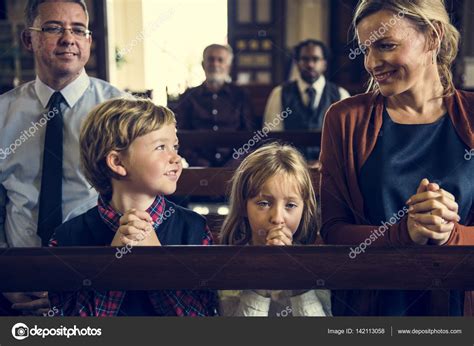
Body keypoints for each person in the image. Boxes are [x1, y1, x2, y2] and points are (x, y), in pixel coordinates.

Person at [320, 0, 474, 316]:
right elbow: (333, 231)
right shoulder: (345, 118)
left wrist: (449, 233)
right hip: (373, 307)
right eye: (366, 50)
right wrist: (403, 233)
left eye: (386, 46)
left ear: (433, 36)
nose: (372, 63)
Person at [0, 0, 124, 315]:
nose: (68, 38)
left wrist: (104, 276)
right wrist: (6, 276)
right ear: (29, 39)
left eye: (78, 30)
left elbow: (148, 195)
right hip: (16, 274)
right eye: (54, 28)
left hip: (99, 277)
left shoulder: (120, 109)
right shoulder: (3, 113)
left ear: (88, 42)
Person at [48, 98, 217, 316]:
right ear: (117, 162)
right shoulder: (66, 238)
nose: (176, 158)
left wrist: (157, 260)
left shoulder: (195, 229)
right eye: (160, 147)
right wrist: (113, 265)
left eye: (175, 146)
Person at [218, 142, 331, 316]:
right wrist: (263, 279)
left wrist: (295, 277)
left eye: (291, 205)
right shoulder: (230, 265)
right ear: (243, 207)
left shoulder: (316, 265)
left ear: (304, 208)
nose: (277, 218)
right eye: (263, 203)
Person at [263, 39, 350, 162]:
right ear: (297, 63)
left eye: (315, 59)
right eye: (304, 59)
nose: (310, 64)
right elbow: (272, 138)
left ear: (324, 63)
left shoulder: (341, 94)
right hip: (290, 166)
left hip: (329, 166)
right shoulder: (279, 93)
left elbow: (345, 140)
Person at [176, 44, 256, 167]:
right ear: (203, 65)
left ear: (228, 66)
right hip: (198, 167)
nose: (215, 64)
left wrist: (233, 163)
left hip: (235, 166)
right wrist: (200, 163)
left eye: (220, 60)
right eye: (210, 59)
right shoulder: (189, 96)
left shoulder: (241, 95)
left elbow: (250, 134)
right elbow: (181, 136)